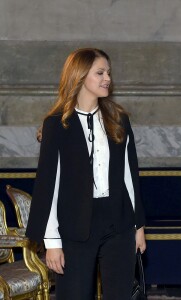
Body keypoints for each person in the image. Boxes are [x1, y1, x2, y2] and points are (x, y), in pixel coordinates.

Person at [26, 48, 146, 300]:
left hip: (119, 224)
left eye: (109, 73)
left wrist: (138, 226)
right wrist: (53, 242)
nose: (107, 79)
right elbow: (49, 186)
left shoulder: (118, 119)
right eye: (100, 73)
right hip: (74, 227)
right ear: (80, 76)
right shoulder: (57, 124)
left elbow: (129, 177)